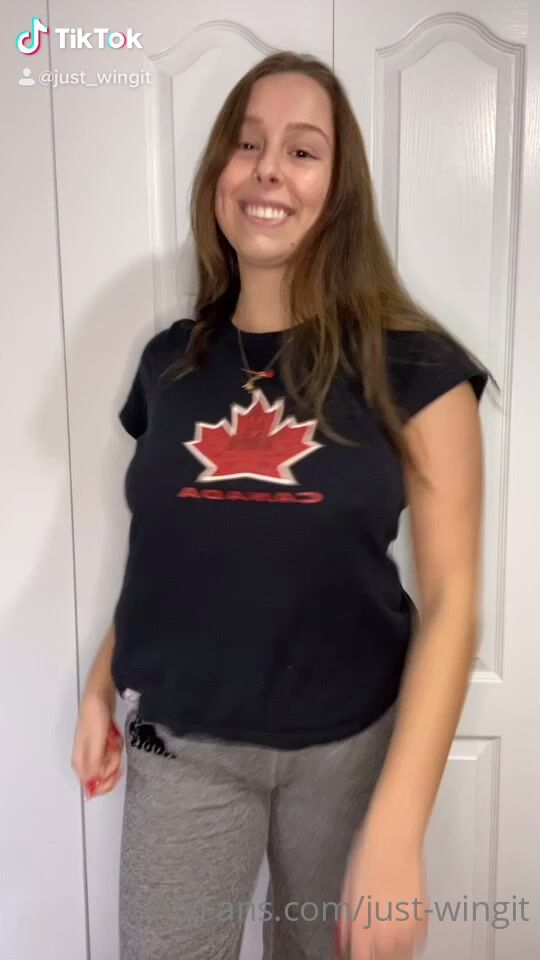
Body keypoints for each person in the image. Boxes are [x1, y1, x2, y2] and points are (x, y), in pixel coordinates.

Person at [72, 50, 495, 960]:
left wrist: (398, 830)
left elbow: (454, 600)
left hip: (349, 747)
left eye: (302, 151)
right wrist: (102, 683)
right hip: (181, 744)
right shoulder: (170, 362)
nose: (268, 169)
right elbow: (169, 549)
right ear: (218, 172)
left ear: (339, 190)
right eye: (247, 143)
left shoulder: (417, 369)